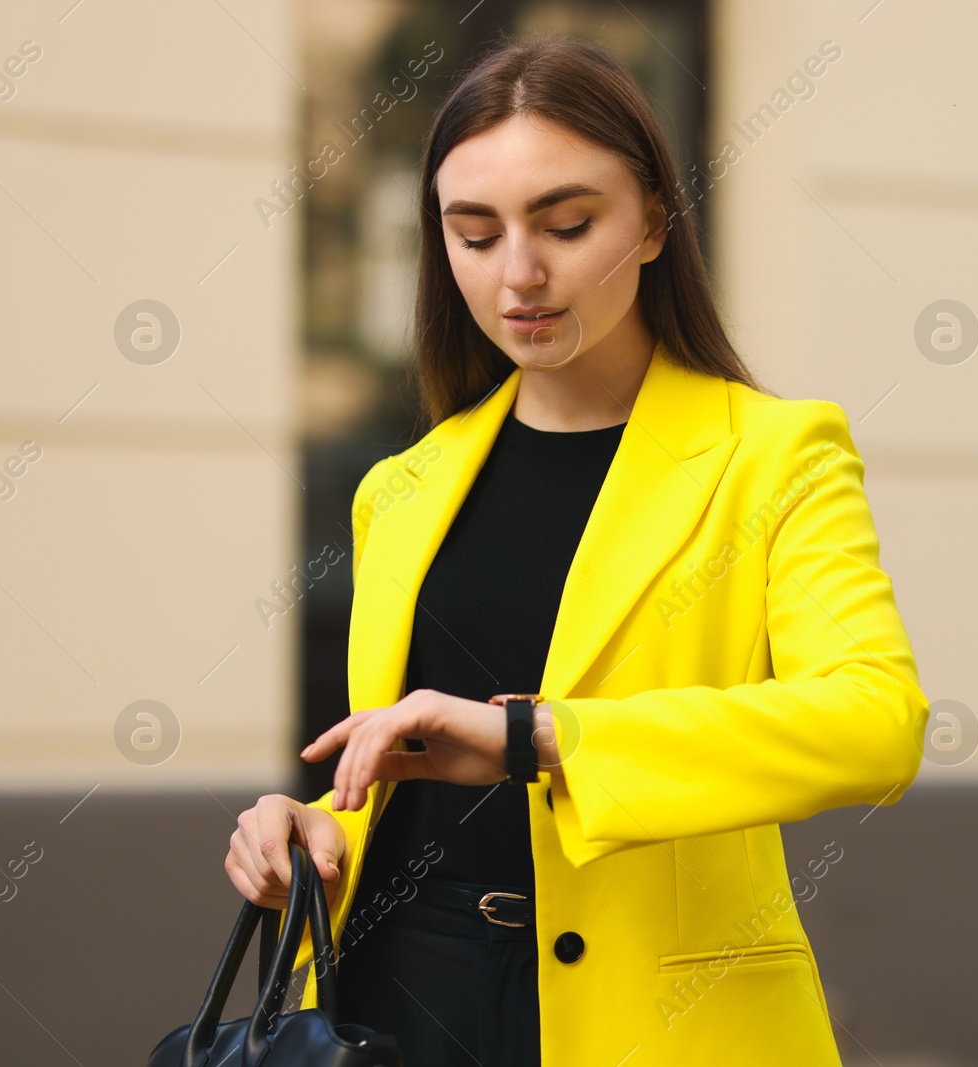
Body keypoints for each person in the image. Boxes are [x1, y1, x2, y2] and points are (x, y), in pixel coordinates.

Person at [222, 33, 929, 1067]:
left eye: (566, 223)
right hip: (394, 1002)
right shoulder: (400, 489)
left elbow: (877, 721)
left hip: (656, 1021)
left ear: (652, 220)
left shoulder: (774, 455)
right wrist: (306, 825)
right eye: (473, 234)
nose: (521, 273)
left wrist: (538, 737)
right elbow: (396, 766)